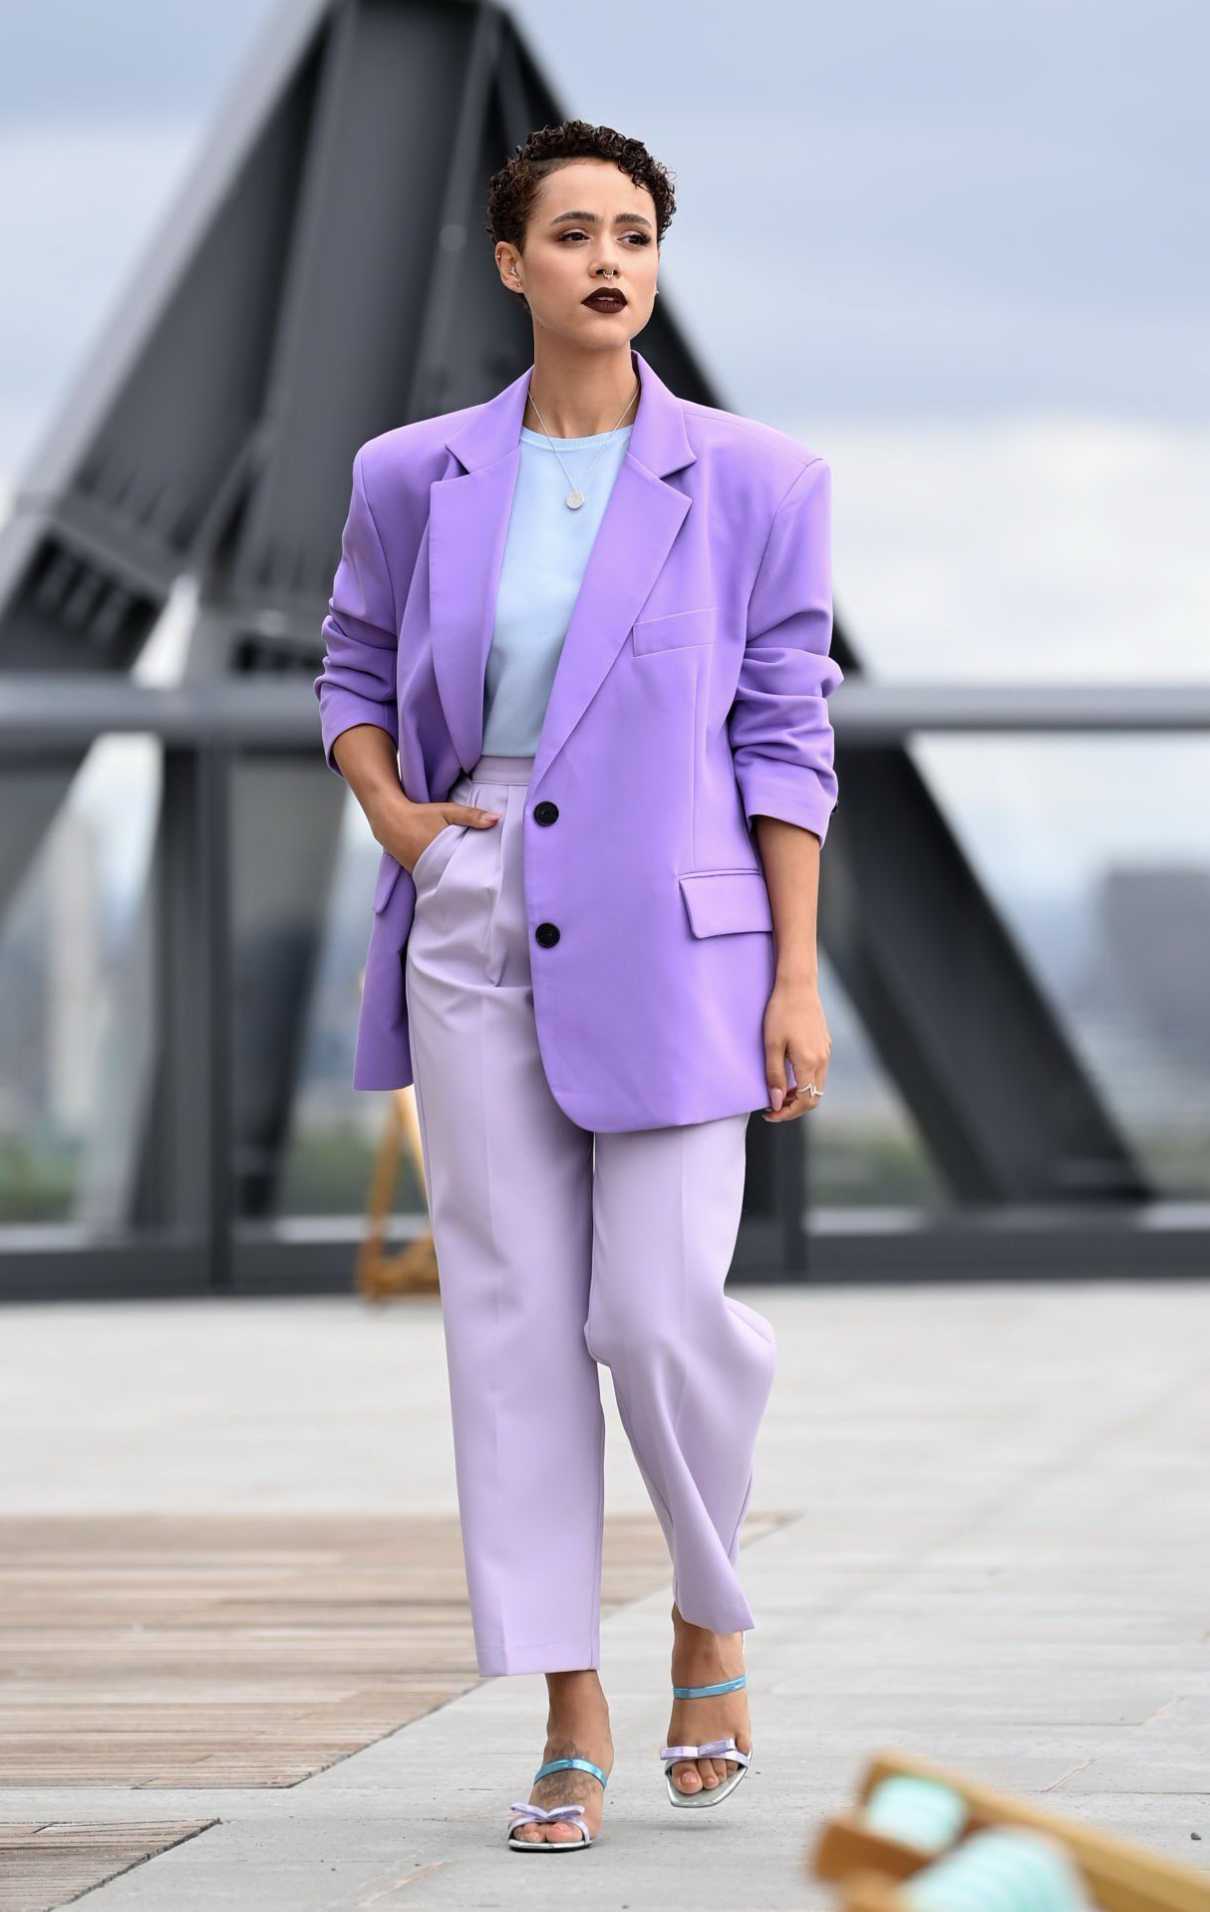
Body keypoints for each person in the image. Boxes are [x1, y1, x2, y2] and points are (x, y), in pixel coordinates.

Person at [313, 118, 841, 1854]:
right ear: (510, 264)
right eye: (573, 233)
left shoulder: (756, 478)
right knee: (516, 1332)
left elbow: (784, 729)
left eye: (635, 233)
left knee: (654, 1313)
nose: (608, 260)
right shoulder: (414, 472)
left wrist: (796, 973)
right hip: (473, 922)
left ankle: (706, 1607)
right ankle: (567, 1700)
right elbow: (350, 663)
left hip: (689, 946)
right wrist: (398, 819)